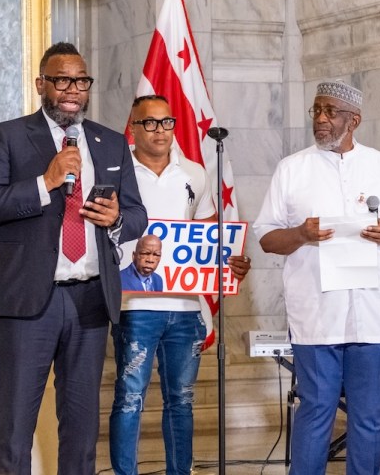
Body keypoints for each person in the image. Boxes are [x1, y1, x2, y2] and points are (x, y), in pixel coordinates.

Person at [0, 42, 147, 475]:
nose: (72, 90)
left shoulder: (110, 142)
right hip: (27, 301)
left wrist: (117, 217)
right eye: (62, 80)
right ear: (41, 84)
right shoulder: (8, 135)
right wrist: (44, 181)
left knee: (82, 426)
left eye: (81, 81)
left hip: (89, 299)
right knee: (15, 424)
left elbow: (137, 213)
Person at [110, 94, 250, 475]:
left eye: (167, 122)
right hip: (134, 306)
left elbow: (206, 238)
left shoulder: (195, 173)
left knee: (182, 400)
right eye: (150, 123)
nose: (160, 131)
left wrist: (229, 265)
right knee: (129, 398)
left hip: (185, 307)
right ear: (133, 128)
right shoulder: (117, 173)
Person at [254, 80, 380, 475]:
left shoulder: (379, 165)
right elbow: (266, 237)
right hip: (316, 316)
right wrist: (301, 235)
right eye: (317, 111)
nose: (321, 120)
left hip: (372, 316)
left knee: (371, 417)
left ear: (354, 120)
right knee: (315, 411)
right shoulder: (292, 169)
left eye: (331, 112)